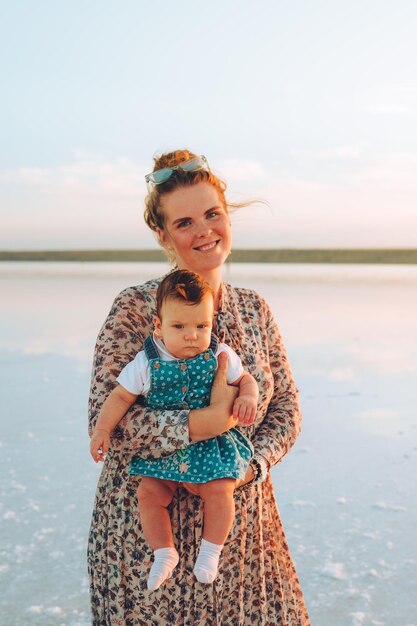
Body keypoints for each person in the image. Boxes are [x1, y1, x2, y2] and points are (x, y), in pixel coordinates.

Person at [87, 150, 310, 625]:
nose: (204, 231)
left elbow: (287, 408)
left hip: (238, 527)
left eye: (212, 214)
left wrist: (246, 466)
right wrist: (204, 425)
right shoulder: (135, 307)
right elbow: (107, 422)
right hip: (145, 534)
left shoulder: (255, 309)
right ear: (163, 235)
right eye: (184, 222)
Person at [90, 269, 258, 591]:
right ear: (159, 326)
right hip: (165, 448)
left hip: (209, 445)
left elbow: (245, 379)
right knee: (149, 494)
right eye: (179, 326)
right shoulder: (145, 362)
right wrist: (102, 431)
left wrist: (248, 396)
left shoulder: (220, 354)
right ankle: (164, 552)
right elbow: (121, 396)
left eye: (201, 326)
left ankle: (211, 550)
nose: (192, 335)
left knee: (220, 491)